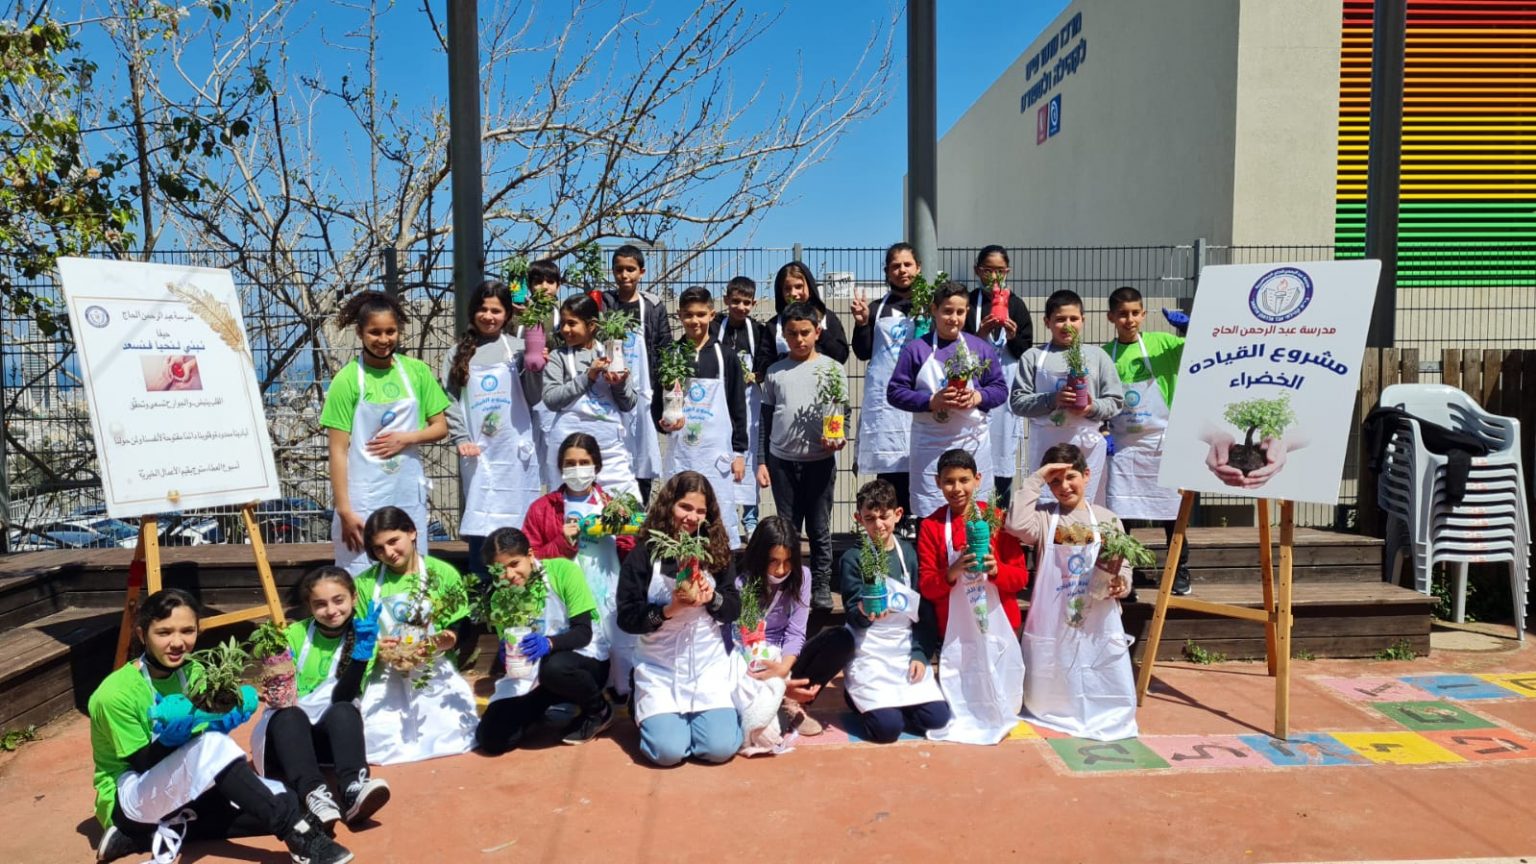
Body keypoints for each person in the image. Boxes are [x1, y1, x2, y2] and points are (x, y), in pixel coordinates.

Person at [88, 589, 351, 864]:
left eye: (187, 631)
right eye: (164, 633)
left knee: (286, 798)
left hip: (179, 783)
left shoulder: (195, 672)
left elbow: (201, 747)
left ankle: (142, 837)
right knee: (220, 755)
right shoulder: (115, 694)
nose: (177, 642)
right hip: (129, 798)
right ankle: (298, 836)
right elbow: (142, 764)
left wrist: (221, 721)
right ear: (142, 635)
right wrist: (173, 738)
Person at [1006, 444, 1138, 741]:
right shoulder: (1043, 518)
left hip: (1096, 616)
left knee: (1096, 670)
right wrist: (1036, 479)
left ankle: (1101, 712)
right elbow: (1015, 524)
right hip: (1053, 618)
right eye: (1055, 481)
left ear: (1087, 475)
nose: (1064, 486)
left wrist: (1122, 584)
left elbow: (1123, 563)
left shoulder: (1107, 519)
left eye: (1071, 477)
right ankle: (1054, 710)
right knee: (1055, 675)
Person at [442, 278, 545, 655]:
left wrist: (535, 362)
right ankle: (479, 626)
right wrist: (459, 438)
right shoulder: (457, 352)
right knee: (481, 540)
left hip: (515, 458)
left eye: (496, 310)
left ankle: (521, 626)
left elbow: (534, 397)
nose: (489, 316)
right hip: (480, 457)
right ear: (473, 312)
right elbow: (448, 401)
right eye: (483, 309)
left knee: (518, 536)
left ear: (507, 314)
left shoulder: (518, 348)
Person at [616, 471, 743, 766]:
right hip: (659, 667)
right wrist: (667, 610)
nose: (692, 517)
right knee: (668, 752)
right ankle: (644, 705)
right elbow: (627, 616)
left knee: (719, 748)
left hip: (707, 667)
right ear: (669, 505)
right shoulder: (644, 553)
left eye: (700, 511)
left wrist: (713, 598)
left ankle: (700, 723)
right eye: (685, 507)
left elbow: (734, 607)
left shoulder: (716, 551)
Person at [250, 567, 391, 830]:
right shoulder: (294, 635)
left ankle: (353, 789)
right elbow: (280, 691)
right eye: (320, 604)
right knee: (291, 715)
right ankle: (313, 794)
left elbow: (343, 696)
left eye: (338, 600)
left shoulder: (364, 635)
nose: (331, 610)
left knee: (345, 710)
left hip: (328, 742)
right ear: (309, 606)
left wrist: (361, 655)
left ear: (353, 598)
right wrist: (272, 683)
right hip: (287, 739)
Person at [322, 290, 450, 574]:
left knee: (411, 570)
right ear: (360, 333)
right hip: (363, 495)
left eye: (390, 331)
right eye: (375, 332)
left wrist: (406, 438)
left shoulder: (417, 372)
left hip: (406, 490)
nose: (383, 340)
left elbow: (440, 426)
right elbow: (338, 450)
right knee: (361, 571)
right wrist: (344, 510)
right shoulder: (346, 380)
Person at [917, 449, 1028, 745]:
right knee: (963, 707)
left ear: (978, 479)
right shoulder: (931, 526)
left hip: (999, 627)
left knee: (1005, 704)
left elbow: (1020, 578)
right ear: (938, 482)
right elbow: (927, 586)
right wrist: (951, 572)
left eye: (964, 480)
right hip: (956, 632)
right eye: (949, 481)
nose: (957, 488)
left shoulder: (997, 519)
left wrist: (997, 569)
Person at [353, 507, 478, 764]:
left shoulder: (442, 573)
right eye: (379, 548)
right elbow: (357, 633)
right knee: (379, 738)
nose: (389, 552)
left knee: (452, 731)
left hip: (433, 669)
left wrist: (443, 640)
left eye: (393, 541)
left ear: (412, 532)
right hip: (386, 673)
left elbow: (461, 622)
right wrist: (379, 647)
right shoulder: (365, 584)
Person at [476, 527, 615, 752]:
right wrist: (506, 654)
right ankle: (539, 709)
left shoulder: (563, 571)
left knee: (554, 667)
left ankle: (598, 710)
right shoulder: (500, 598)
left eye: (514, 564)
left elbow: (583, 633)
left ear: (530, 555)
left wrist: (548, 643)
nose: (509, 575)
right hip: (534, 675)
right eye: (500, 570)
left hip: (581, 663)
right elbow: (511, 651)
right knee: (492, 739)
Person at [521, 432, 639, 695]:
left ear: (596, 465)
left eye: (584, 463)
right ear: (560, 467)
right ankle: (576, 694)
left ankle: (621, 692)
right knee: (572, 652)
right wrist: (562, 543)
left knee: (619, 650)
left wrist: (627, 530)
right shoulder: (542, 508)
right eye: (570, 463)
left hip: (607, 593)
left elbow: (630, 556)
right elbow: (530, 560)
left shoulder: (613, 505)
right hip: (565, 598)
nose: (577, 469)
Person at [837, 479, 948, 744]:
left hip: (903, 648)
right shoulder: (852, 558)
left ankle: (898, 704)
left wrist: (920, 654)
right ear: (859, 519)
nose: (878, 525)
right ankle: (857, 698)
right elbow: (852, 614)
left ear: (898, 514)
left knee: (937, 719)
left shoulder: (909, 554)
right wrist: (864, 611)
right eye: (870, 518)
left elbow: (924, 612)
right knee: (887, 730)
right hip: (870, 650)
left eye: (884, 516)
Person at [887, 280, 1008, 518]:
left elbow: (1000, 389)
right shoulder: (916, 349)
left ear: (967, 312)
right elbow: (895, 392)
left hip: (972, 443)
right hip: (930, 446)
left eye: (960, 312)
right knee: (931, 514)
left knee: (976, 513)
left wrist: (978, 396)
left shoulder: (980, 348)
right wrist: (931, 401)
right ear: (934, 310)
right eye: (947, 311)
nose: (954, 318)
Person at [756, 301, 848, 609]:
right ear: (783, 334)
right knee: (788, 528)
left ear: (817, 332)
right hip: (782, 462)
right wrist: (762, 461)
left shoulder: (833, 369)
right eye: (792, 333)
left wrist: (839, 436)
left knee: (820, 528)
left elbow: (841, 413)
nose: (799, 339)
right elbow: (766, 420)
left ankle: (821, 585)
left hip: (820, 461)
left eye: (805, 332)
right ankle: (790, 584)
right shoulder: (775, 372)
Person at [1103, 285, 1191, 597]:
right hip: (1123, 445)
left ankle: (1178, 571)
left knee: (1173, 512)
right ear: (1111, 317)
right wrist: (1103, 431)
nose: (1129, 320)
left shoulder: (1163, 344)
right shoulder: (1105, 355)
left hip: (1162, 442)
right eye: (1122, 314)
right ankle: (1121, 574)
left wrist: (1190, 328)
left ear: (1144, 314)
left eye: (1135, 313)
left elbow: (1205, 349)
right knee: (1120, 513)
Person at [735, 516, 850, 737]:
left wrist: (783, 669)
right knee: (765, 731)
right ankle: (776, 701)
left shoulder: (802, 577)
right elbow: (740, 639)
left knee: (840, 640)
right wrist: (764, 668)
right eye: (773, 561)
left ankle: (793, 701)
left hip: (785, 659)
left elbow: (796, 632)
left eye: (787, 561)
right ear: (760, 556)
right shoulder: (743, 583)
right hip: (753, 661)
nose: (781, 570)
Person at [652, 285, 748, 546]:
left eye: (700, 314)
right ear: (679, 316)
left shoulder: (726, 356)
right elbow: (658, 404)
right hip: (682, 452)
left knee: (717, 514)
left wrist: (739, 453)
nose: (694, 321)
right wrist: (664, 423)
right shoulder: (671, 356)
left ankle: (722, 564)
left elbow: (738, 407)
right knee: (679, 514)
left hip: (716, 456)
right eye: (688, 315)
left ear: (712, 315)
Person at [1010, 288, 1124, 506]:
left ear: (1083, 320)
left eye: (1073, 318)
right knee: (1046, 504)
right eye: (1060, 319)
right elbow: (1017, 402)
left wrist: (1091, 407)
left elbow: (1116, 401)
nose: (1067, 324)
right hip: (1045, 445)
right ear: (1047, 322)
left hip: (1086, 447)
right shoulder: (1032, 357)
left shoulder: (1098, 357)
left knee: (1086, 505)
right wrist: (1052, 399)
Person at [852, 242, 922, 534]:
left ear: (918, 268)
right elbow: (862, 351)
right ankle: (890, 523)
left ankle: (916, 521)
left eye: (907, 264)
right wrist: (862, 324)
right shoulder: (876, 308)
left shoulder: (929, 306)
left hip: (919, 394)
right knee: (889, 461)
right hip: (886, 399)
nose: (902, 270)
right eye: (895, 266)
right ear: (887, 272)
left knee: (919, 457)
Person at [543, 293, 640, 499]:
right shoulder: (558, 357)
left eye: (572, 323)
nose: (565, 329)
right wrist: (588, 376)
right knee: (568, 504)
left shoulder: (611, 354)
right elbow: (551, 399)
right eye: (563, 323)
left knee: (623, 502)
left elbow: (629, 403)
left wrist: (619, 384)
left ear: (592, 325)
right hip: (570, 450)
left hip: (609, 450)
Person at [962, 245, 1034, 502]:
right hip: (974, 386)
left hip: (1006, 384)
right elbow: (958, 347)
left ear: (1008, 271)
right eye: (988, 270)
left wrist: (1013, 338)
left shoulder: (1016, 305)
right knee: (971, 445)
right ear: (977, 271)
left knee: (1003, 449)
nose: (994, 277)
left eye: (1000, 271)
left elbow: (1026, 351)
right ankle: (971, 510)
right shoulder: (968, 303)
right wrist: (980, 335)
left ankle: (1000, 511)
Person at [600, 244, 671, 502]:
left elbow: (664, 347)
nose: (624, 275)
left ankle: (640, 507)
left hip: (645, 393)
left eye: (630, 269)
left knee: (643, 451)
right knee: (614, 450)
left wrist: (667, 389)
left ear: (641, 272)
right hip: (609, 391)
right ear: (612, 272)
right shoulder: (604, 304)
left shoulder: (652, 306)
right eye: (619, 269)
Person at [718, 276, 775, 536]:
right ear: (726, 300)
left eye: (746, 302)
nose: (740, 307)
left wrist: (758, 374)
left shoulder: (758, 331)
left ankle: (750, 520)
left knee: (750, 458)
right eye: (735, 301)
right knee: (722, 455)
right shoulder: (716, 327)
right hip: (720, 399)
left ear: (754, 303)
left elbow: (765, 359)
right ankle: (722, 517)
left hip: (750, 401)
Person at [766, 261, 850, 363]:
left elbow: (841, 356)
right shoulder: (773, 325)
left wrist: (820, 332)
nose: (793, 293)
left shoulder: (827, 318)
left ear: (809, 287)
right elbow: (763, 362)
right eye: (787, 288)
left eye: (798, 286)